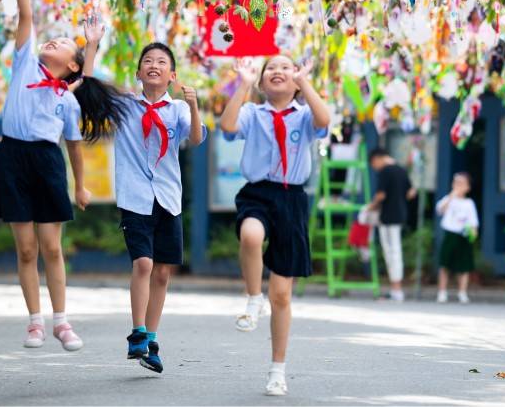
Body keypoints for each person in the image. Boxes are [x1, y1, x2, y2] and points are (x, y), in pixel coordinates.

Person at [0, 0, 127, 352]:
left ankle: (61, 322)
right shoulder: (24, 65)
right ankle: (34, 322)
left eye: (66, 42)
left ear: (70, 64)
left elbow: (74, 145)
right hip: (12, 159)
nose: (55, 39)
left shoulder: (66, 99)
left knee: (51, 247)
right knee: (27, 248)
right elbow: (27, 19)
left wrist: (81, 186)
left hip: (47, 163)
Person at [81, 28, 204, 374]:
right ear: (138, 73)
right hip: (135, 197)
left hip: (168, 198)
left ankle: (151, 338)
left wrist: (194, 108)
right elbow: (90, 88)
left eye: (161, 62)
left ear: (172, 75)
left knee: (163, 272)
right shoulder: (124, 105)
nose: (154, 65)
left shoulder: (178, 108)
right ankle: (137, 333)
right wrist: (92, 45)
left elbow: (195, 140)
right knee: (144, 264)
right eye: (147, 61)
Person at [219, 55, 331, 397]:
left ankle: (277, 370)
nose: (278, 71)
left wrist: (306, 82)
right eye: (271, 69)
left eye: (286, 67)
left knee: (282, 295)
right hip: (259, 193)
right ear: (263, 82)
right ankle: (253, 298)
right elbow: (227, 127)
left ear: (296, 81)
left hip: (292, 200)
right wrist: (243, 83)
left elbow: (325, 120)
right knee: (251, 235)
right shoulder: (254, 113)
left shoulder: (306, 114)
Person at [365, 148, 416, 302]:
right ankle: (396, 288)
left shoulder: (385, 171)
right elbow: (411, 192)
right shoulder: (401, 169)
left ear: (377, 159)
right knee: (395, 251)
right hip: (400, 214)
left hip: (387, 216)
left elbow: (381, 195)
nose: (375, 167)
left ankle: (396, 289)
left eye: (373, 164)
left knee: (391, 252)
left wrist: (370, 207)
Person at [436, 172, 479, 304]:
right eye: (456, 183)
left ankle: (462, 292)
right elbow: (440, 210)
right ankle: (442, 292)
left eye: (462, 183)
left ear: (468, 187)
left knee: (464, 266)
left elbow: (473, 222)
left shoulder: (469, 203)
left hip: (463, 236)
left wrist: (474, 232)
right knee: (445, 264)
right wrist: (451, 196)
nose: (458, 186)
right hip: (450, 233)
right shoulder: (448, 199)